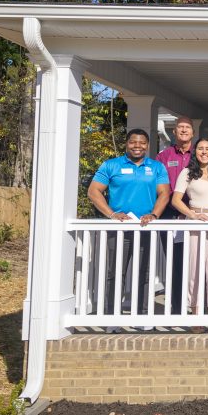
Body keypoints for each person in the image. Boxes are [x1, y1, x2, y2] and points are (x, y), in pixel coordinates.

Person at [87, 129, 170, 316]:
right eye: (133, 142)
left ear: (148, 145)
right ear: (126, 143)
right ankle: (112, 317)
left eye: (142, 143)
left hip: (145, 227)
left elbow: (164, 193)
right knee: (115, 273)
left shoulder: (157, 167)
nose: (137, 146)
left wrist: (154, 215)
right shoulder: (111, 165)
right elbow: (93, 191)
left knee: (145, 273)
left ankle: (142, 315)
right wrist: (112, 214)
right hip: (119, 229)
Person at [171, 138, 208, 330]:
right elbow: (176, 200)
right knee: (195, 269)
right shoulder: (187, 173)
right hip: (197, 223)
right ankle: (196, 314)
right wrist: (193, 215)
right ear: (195, 152)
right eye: (200, 149)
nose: (204, 152)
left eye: (207, 149)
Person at [156, 116, 194, 314]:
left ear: (193, 132)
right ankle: (177, 307)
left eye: (187, 128)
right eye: (180, 127)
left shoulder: (200, 154)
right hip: (171, 214)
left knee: (196, 261)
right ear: (174, 132)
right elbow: (159, 184)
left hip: (195, 212)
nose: (184, 130)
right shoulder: (164, 156)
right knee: (175, 260)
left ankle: (196, 305)